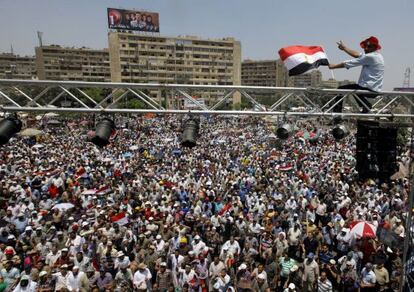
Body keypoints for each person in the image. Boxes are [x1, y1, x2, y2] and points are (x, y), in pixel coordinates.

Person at [328, 36, 384, 115]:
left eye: (368, 47)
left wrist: (333, 67)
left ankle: (337, 114)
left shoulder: (370, 57)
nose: (365, 49)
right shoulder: (378, 56)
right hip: (375, 89)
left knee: (341, 89)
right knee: (354, 88)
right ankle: (365, 105)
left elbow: (349, 63)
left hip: (368, 88)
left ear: (374, 47)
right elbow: (357, 54)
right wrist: (344, 48)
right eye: (365, 46)